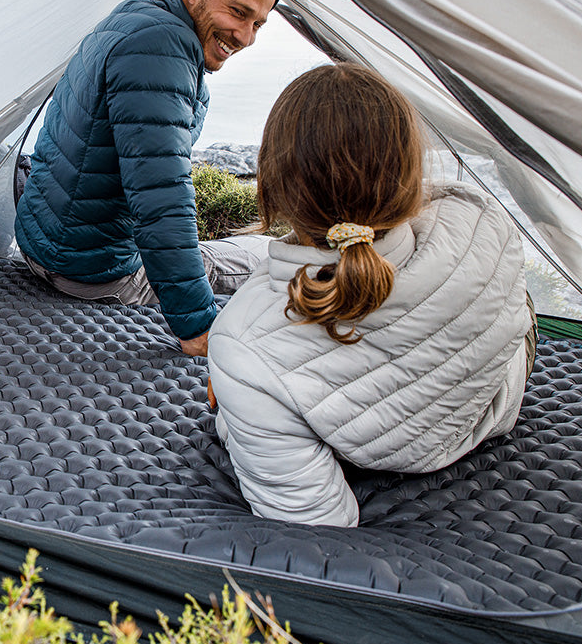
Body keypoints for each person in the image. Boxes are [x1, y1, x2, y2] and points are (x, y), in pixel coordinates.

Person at [207, 63, 536, 528]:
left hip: (380, 446)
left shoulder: (243, 342)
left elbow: (316, 528)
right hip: (491, 407)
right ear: (409, 167)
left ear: (274, 183)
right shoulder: (481, 219)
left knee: (250, 401)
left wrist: (235, 403)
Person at [15, 0, 284, 357]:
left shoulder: (134, 18)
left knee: (227, 254)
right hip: (89, 269)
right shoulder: (161, 47)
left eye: (258, 24)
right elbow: (162, 196)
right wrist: (196, 324)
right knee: (265, 260)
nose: (246, 37)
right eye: (238, 12)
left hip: (47, 243)